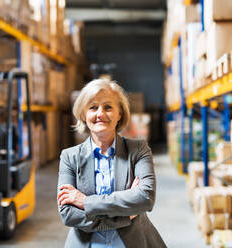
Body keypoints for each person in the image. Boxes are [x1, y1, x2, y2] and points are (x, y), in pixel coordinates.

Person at [57, 78, 166, 247]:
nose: (100, 113)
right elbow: (68, 214)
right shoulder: (69, 157)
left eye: (108, 107)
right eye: (93, 107)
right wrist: (124, 215)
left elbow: (145, 198)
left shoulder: (138, 149)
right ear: (83, 115)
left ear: (119, 114)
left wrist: (86, 202)